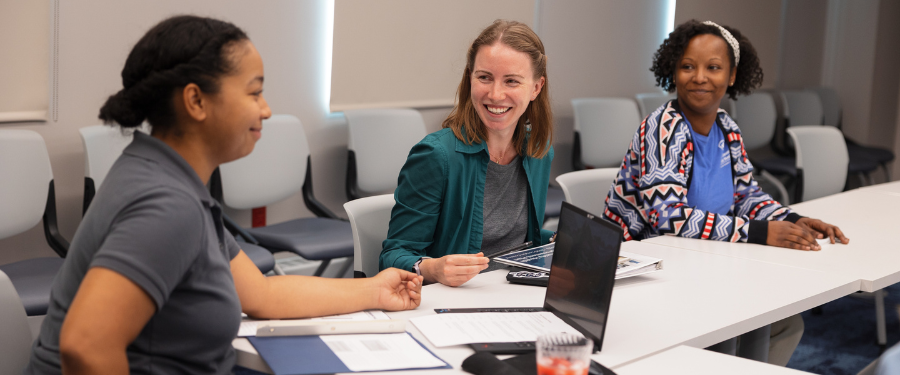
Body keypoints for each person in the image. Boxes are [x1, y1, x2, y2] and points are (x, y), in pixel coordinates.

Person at [26, 15, 422, 375]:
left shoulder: (168, 178)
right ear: (196, 101)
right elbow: (85, 346)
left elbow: (262, 294)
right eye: (254, 93)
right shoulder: (167, 204)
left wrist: (374, 289)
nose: (266, 110)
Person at [602, 19, 849, 366]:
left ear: (732, 76)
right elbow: (668, 217)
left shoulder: (727, 128)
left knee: (783, 323)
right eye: (687, 66)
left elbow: (747, 196)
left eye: (713, 68)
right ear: (673, 72)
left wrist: (795, 219)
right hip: (646, 268)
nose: (699, 77)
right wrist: (759, 232)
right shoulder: (663, 128)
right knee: (737, 321)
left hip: (705, 261)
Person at [379, 20, 554, 287]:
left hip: (517, 290)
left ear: (536, 88)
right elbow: (393, 255)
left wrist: (559, 241)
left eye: (511, 81)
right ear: (469, 77)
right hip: (453, 301)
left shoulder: (539, 151)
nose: (495, 94)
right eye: (484, 77)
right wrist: (432, 268)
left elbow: (518, 236)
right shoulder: (436, 156)